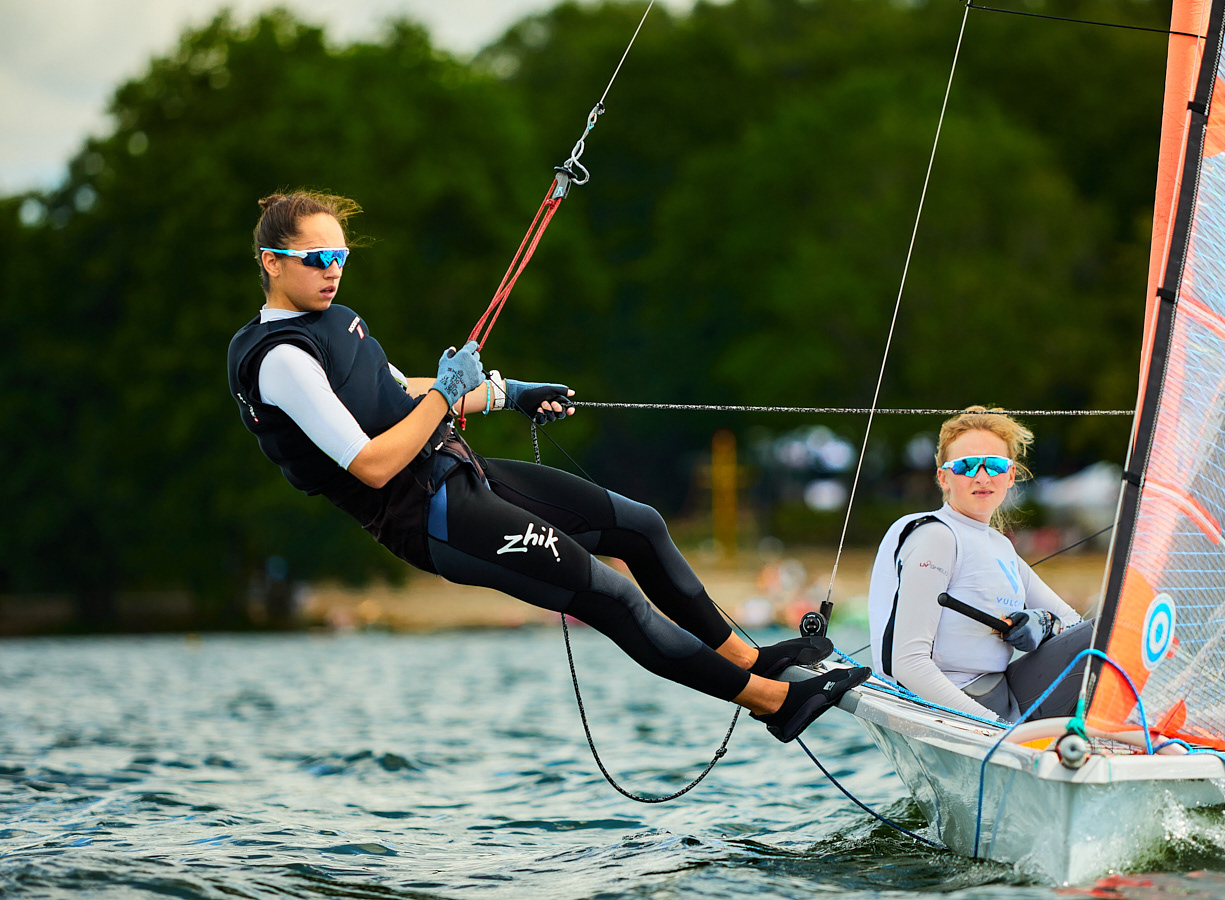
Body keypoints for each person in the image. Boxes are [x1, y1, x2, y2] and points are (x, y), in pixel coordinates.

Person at [226, 190, 869, 743]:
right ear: (272, 262)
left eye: (341, 256)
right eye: (317, 258)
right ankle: (777, 703)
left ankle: (750, 658)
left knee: (639, 526)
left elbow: (401, 395)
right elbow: (371, 463)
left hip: (460, 472)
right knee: (613, 596)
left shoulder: (338, 322)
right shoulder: (281, 360)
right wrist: (447, 393)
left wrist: (507, 393)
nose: (334, 270)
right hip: (432, 518)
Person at [867, 407, 1092, 723]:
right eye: (967, 466)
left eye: (995, 465)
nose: (982, 477)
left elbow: (1075, 624)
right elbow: (907, 663)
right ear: (943, 477)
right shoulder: (937, 536)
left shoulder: (1000, 546)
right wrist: (995, 728)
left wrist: (1043, 623)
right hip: (949, 706)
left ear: (1010, 475)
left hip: (1003, 695)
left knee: (1110, 632)